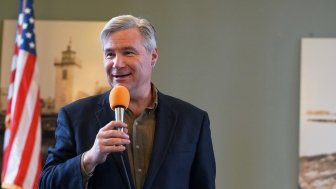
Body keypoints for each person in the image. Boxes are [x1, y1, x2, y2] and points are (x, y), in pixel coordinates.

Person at [39, 15, 216, 189]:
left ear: (153, 56)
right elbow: (47, 183)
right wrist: (89, 159)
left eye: (128, 52)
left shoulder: (192, 120)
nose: (117, 63)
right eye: (109, 54)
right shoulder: (74, 116)